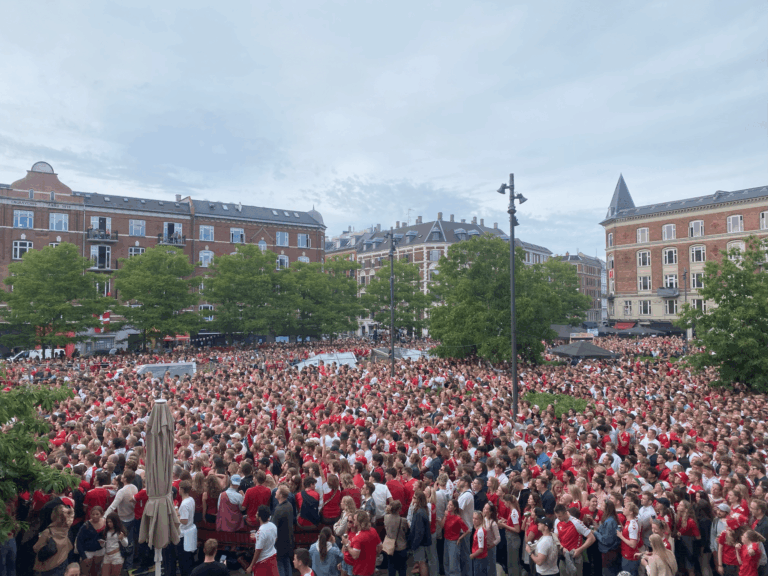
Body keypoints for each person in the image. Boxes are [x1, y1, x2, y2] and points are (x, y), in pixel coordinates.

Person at [554, 503, 595, 576]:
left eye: (560, 516)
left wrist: (579, 550)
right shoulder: (557, 521)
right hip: (563, 556)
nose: (558, 518)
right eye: (557, 516)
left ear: (565, 513)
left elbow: (592, 538)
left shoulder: (576, 522)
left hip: (574, 557)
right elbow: (555, 536)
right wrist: (561, 547)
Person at [33, 505, 75, 576]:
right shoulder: (67, 530)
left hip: (46, 567)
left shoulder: (48, 532)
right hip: (62, 564)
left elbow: (36, 548)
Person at [342, 511, 381, 576]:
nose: (353, 521)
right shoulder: (373, 530)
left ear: (359, 521)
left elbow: (355, 555)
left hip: (360, 571)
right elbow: (380, 547)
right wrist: (373, 557)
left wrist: (347, 544)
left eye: (354, 519)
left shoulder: (358, 537)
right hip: (371, 568)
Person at [592, 501, 621, 576]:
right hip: (607, 552)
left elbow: (607, 540)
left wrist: (595, 533)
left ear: (606, 508)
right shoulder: (608, 519)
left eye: (602, 504)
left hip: (608, 553)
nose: (600, 505)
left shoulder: (610, 521)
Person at [249, 506, 278, 576]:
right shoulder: (273, 525)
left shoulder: (260, 531)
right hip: (273, 558)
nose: (255, 514)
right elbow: (274, 538)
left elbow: (258, 551)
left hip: (263, 563)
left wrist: (250, 566)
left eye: (257, 513)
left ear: (260, 517)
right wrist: (256, 537)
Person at [272, 486, 295, 576]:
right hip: (288, 540)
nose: (275, 493)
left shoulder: (279, 509)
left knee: (280, 564)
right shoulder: (289, 505)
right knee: (286, 562)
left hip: (280, 542)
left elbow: (274, 526)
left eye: (277, 491)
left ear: (281, 495)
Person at [76, 507, 106, 576]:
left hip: (100, 551)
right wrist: (83, 556)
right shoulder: (85, 526)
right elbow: (79, 541)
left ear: (101, 514)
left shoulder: (105, 522)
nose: (95, 516)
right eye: (93, 514)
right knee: (85, 572)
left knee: (96, 571)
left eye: (97, 514)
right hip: (88, 552)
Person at [443, 500, 470, 576]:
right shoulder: (447, 514)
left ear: (455, 507)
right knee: (446, 561)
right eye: (448, 504)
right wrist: (444, 517)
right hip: (446, 540)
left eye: (451, 505)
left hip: (453, 542)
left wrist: (459, 538)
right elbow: (442, 526)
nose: (448, 506)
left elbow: (467, 530)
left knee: (453, 564)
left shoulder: (458, 518)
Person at [409, 492, 432, 576]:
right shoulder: (422, 510)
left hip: (420, 543)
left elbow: (419, 532)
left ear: (419, 500)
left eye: (414, 498)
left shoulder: (419, 513)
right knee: (422, 562)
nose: (413, 499)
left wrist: (415, 544)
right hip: (422, 542)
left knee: (422, 563)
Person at [177, 480, 197, 576]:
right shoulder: (191, 499)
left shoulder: (184, 504)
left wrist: (175, 516)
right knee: (188, 558)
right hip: (189, 530)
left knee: (184, 560)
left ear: (181, 489)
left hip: (184, 533)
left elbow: (184, 520)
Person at [383, 502, 409, 576]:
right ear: (399, 509)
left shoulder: (386, 517)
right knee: (402, 569)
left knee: (391, 569)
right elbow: (406, 531)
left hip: (390, 547)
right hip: (401, 547)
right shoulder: (403, 520)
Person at [470, 511, 488, 576]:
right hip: (480, 558)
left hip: (479, 559)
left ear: (480, 520)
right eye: (473, 518)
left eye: (476, 519)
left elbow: (481, 549)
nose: (474, 520)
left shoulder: (480, 532)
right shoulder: (479, 529)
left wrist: (472, 555)